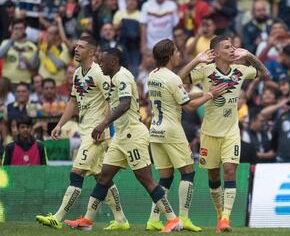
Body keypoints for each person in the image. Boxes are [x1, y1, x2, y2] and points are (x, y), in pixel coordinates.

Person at [63, 48, 182, 233]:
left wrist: (103, 124)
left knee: (146, 180)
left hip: (133, 135)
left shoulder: (122, 77)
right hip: (120, 136)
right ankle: (87, 220)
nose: (100, 65)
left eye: (102, 62)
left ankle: (173, 219)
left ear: (113, 62)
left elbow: (125, 103)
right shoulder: (113, 78)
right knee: (103, 177)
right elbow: (117, 104)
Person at [178, 35, 269, 232]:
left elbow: (264, 72)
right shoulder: (205, 70)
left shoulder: (241, 70)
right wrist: (196, 60)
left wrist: (250, 55)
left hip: (231, 132)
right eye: (227, 47)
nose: (233, 49)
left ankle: (226, 218)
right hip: (209, 133)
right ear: (217, 53)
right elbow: (179, 80)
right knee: (213, 176)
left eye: (233, 46)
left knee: (229, 171)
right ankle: (219, 215)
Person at [35, 36, 121, 229]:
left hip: (96, 133)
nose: (76, 49)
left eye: (81, 47)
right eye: (76, 46)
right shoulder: (77, 74)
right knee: (102, 177)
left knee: (77, 172)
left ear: (91, 52)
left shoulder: (99, 73)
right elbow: (73, 102)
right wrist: (59, 124)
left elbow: (112, 102)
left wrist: (103, 127)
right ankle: (121, 220)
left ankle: (57, 217)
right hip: (85, 131)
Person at [146, 39, 227, 232]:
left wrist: (203, 88)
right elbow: (188, 107)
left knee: (165, 178)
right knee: (188, 172)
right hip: (173, 131)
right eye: (176, 51)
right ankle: (184, 217)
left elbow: (177, 93)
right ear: (169, 56)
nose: (179, 54)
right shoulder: (173, 79)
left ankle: (153, 219)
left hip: (155, 131)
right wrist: (209, 95)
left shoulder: (152, 75)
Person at [0, 18, 38, 85]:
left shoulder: (32, 46)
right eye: (16, 28)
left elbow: (34, 67)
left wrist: (27, 63)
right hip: (7, 82)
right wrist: (12, 40)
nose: (18, 31)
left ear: (25, 30)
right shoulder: (6, 42)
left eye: (21, 28)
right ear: (12, 30)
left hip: (25, 82)